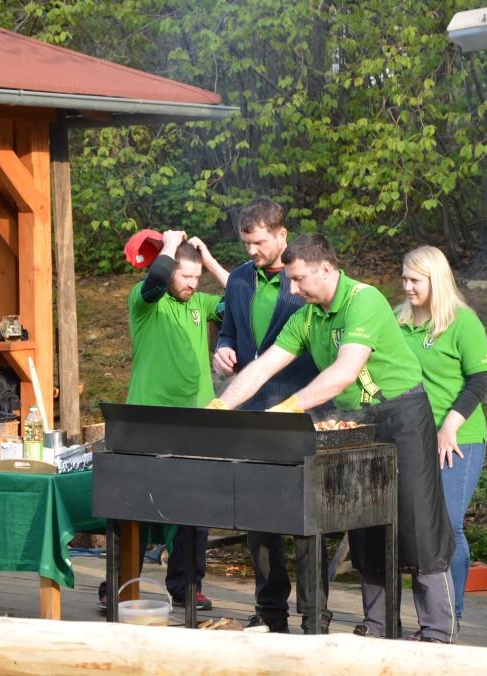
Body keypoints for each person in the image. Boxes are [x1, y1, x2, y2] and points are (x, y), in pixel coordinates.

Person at [208, 234, 456, 642]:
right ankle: (379, 628)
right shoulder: (308, 316)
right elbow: (262, 366)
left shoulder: (365, 300)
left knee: (418, 525)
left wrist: (288, 409)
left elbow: (344, 371)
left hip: (402, 416)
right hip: (356, 420)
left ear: (326, 269)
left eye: (299, 279)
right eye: (289, 280)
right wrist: (222, 405)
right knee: (364, 523)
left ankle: (438, 633)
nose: (292, 289)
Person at [213, 198, 331, 635]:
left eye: (258, 242)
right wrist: (224, 347)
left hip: (302, 410)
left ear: (282, 235)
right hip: (250, 411)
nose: (250, 252)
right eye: (245, 243)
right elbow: (230, 329)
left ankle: (315, 615)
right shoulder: (240, 280)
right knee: (258, 518)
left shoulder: (305, 281)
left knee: (305, 519)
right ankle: (270, 612)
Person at [126, 228, 228, 610]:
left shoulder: (200, 304)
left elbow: (242, 297)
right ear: (168, 270)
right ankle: (121, 585)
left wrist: (209, 258)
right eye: (184, 276)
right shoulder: (145, 302)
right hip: (147, 420)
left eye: (196, 276)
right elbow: (153, 280)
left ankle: (186, 586)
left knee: (194, 507)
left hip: (196, 422)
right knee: (134, 506)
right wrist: (168, 246)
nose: (191, 283)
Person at [396, 245, 487, 632]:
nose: (406, 286)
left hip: (459, 437)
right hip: (412, 439)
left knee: (447, 525)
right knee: (421, 527)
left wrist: (449, 425)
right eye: (404, 278)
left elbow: (480, 379)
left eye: (415, 280)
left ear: (436, 281)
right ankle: (431, 617)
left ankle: (451, 615)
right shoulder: (396, 321)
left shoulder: (462, 322)